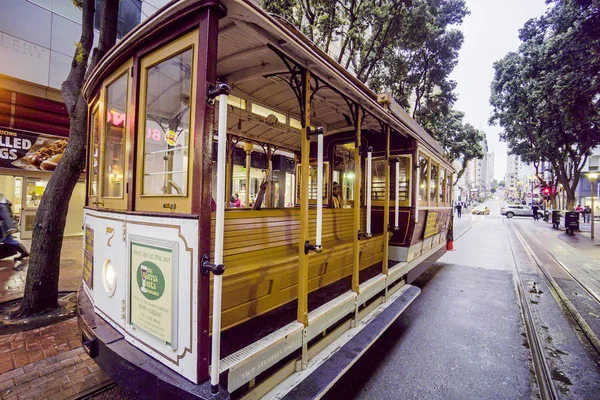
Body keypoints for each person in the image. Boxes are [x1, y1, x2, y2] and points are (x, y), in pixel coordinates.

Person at [0, 193, 29, 261]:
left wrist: (10, 228)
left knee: (9, 240)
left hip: (3, 228)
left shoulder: (2, 206)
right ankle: (23, 252)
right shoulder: (3, 204)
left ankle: (23, 252)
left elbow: (6, 217)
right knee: (9, 240)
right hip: (4, 228)